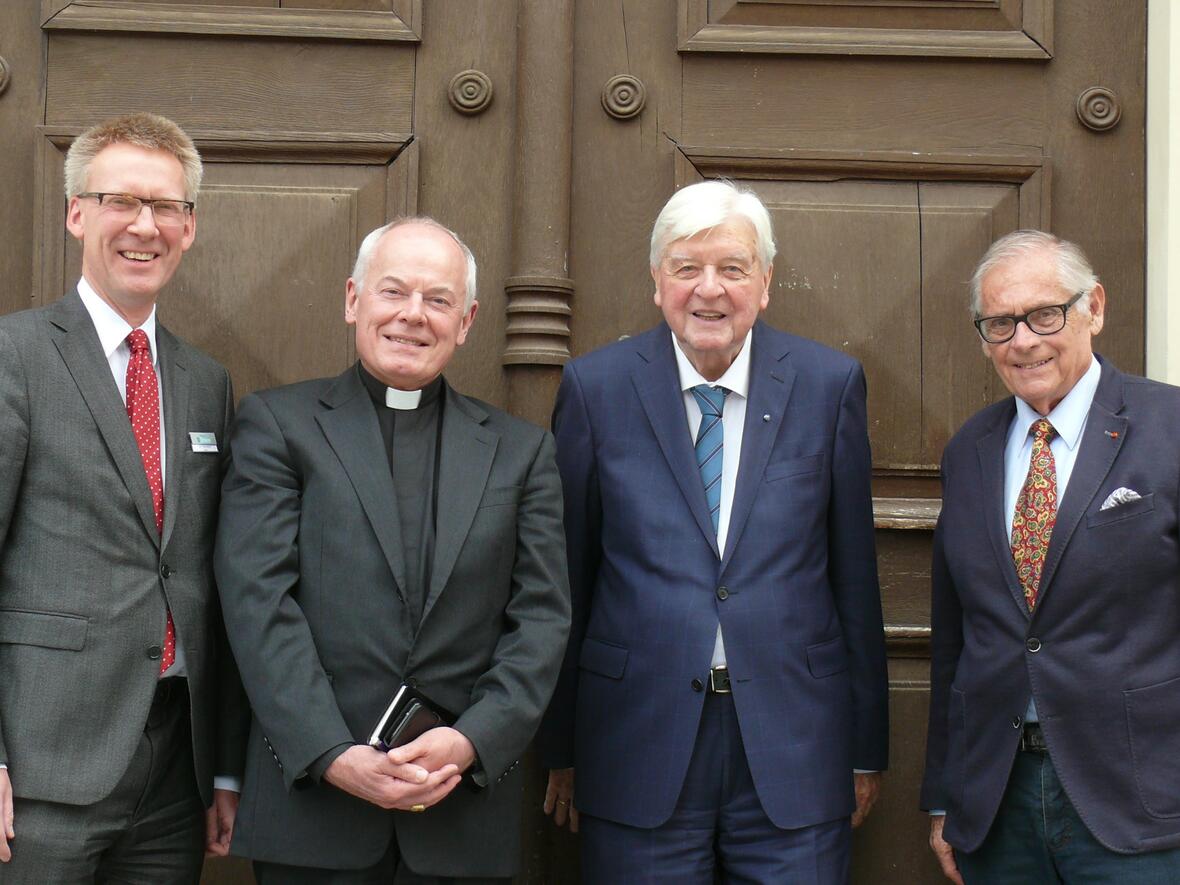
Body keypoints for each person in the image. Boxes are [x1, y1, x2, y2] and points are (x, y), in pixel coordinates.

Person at [538, 179, 889, 883]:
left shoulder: (829, 385)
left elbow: (855, 578)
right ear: (655, 281)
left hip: (795, 747)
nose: (710, 289)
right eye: (686, 267)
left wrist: (864, 748)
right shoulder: (594, 389)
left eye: (732, 268)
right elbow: (567, 576)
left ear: (764, 283)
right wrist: (560, 746)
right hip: (635, 743)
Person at [214, 217, 571, 883]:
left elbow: (543, 620)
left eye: (437, 300)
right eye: (393, 292)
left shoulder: (522, 453)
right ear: (354, 299)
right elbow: (257, 603)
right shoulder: (278, 425)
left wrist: (471, 741)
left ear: (465, 321)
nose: (413, 315)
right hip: (313, 811)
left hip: (460, 813)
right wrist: (331, 750)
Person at [0, 112, 246, 882]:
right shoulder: (15, 356)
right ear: (77, 212)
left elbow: (210, 575)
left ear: (190, 226)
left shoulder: (206, 383)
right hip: (41, 772)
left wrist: (224, 768)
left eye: (166, 207)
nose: (146, 225)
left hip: (175, 772)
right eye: (121, 201)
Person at [922, 230, 1180, 883]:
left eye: (1044, 314)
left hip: (1142, 805)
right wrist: (947, 793)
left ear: (1093, 306)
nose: (1024, 340)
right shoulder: (971, 451)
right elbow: (957, 641)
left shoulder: (1169, 427)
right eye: (1001, 323)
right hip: (998, 802)